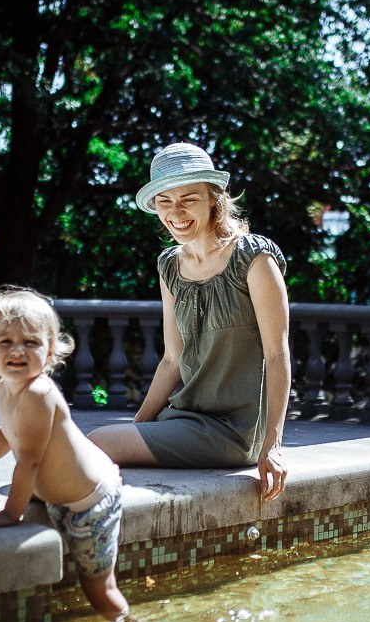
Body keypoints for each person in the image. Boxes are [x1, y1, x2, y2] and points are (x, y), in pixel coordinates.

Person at [87, 142, 291, 501]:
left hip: (234, 431)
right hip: (183, 417)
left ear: (214, 198)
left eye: (188, 199)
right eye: (165, 201)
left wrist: (273, 445)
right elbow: (172, 359)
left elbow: (277, 354)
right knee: (95, 444)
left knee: (96, 442)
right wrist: (139, 427)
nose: (175, 212)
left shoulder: (253, 258)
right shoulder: (170, 265)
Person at [0, 287, 130, 622]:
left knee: (99, 591)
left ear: (49, 352)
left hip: (90, 503)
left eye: (31, 342)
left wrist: (9, 514)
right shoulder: (6, 386)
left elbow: (29, 460)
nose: (18, 350)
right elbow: (7, 432)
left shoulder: (38, 393)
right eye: (5, 342)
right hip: (62, 493)